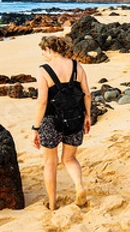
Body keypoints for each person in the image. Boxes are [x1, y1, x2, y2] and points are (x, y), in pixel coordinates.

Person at [31, 35, 92, 210]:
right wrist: (87, 116)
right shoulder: (77, 66)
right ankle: (79, 186)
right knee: (70, 158)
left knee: (50, 162)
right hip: (75, 117)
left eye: (43, 51)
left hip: (51, 120)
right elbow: (87, 94)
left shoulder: (43, 70)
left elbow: (42, 102)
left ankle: (52, 204)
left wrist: (35, 128)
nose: (43, 55)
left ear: (49, 50)